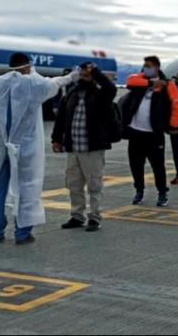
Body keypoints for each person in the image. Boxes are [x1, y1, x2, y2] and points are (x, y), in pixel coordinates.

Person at [0, 52, 80, 245]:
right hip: (25, 149)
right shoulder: (33, 84)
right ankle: (22, 233)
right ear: (27, 66)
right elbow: (54, 83)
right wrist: (71, 76)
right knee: (27, 188)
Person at [51, 62, 117, 232]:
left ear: (93, 77)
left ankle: (95, 217)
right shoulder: (71, 94)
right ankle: (77, 216)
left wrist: (96, 71)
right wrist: (56, 139)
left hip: (92, 148)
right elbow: (61, 119)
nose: (82, 78)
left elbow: (111, 89)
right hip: (73, 149)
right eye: (81, 75)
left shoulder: (100, 94)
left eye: (86, 76)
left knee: (94, 185)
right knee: (74, 185)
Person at [122, 56, 178, 207]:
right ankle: (139, 191)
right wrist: (151, 83)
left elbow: (177, 106)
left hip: (154, 134)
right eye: (144, 65)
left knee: (158, 166)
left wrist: (173, 125)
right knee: (135, 164)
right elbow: (130, 81)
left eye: (148, 66)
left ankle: (162, 193)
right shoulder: (140, 81)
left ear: (156, 67)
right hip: (136, 132)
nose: (146, 68)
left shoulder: (168, 85)